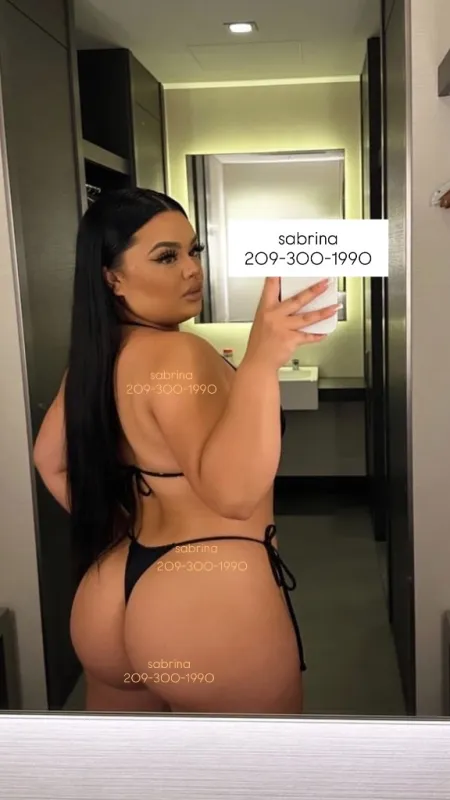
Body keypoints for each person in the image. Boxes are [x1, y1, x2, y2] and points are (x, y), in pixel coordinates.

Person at [33, 188, 339, 713]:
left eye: (193, 251)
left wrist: (124, 528)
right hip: (205, 601)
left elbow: (50, 461)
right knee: (260, 765)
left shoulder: (101, 354)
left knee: (128, 765)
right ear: (112, 277)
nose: (192, 269)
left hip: (113, 592)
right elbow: (234, 496)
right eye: (166, 257)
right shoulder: (180, 354)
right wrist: (261, 361)